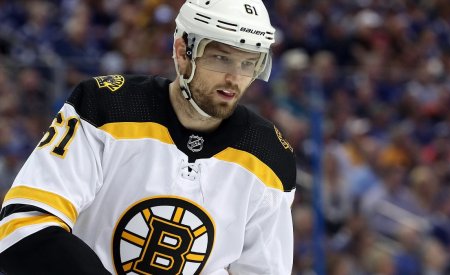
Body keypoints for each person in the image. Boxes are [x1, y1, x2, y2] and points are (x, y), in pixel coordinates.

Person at [0, 0, 297, 274]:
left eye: (248, 63)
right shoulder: (104, 107)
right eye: (221, 58)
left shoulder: (269, 157)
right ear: (183, 52)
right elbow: (23, 225)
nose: (235, 78)